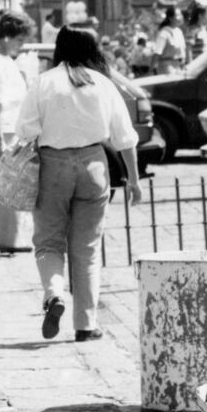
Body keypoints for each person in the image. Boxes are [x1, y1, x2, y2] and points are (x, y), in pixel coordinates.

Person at [15, 24, 143, 342]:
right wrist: (134, 181)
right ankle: (86, 325)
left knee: (48, 242)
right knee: (86, 248)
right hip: (94, 165)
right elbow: (125, 138)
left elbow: (24, 131)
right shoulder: (102, 83)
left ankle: (54, 293)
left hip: (52, 166)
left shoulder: (43, 83)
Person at [0, 11, 34, 253]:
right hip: (3, 130)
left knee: (11, 185)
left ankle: (12, 236)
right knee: (11, 185)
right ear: (7, 37)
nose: (21, 46)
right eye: (19, 40)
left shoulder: (5, 61)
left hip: (9, 129)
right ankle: (10, 237)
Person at [150, 6, 186, 74]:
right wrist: (151, 70)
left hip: (178, 67)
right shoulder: (164, 33)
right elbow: (157, 52)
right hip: (167, 68)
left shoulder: (179, 31)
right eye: (178, 15)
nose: (181, 17)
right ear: (171, 18)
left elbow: (182, 51)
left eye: (181, 14)